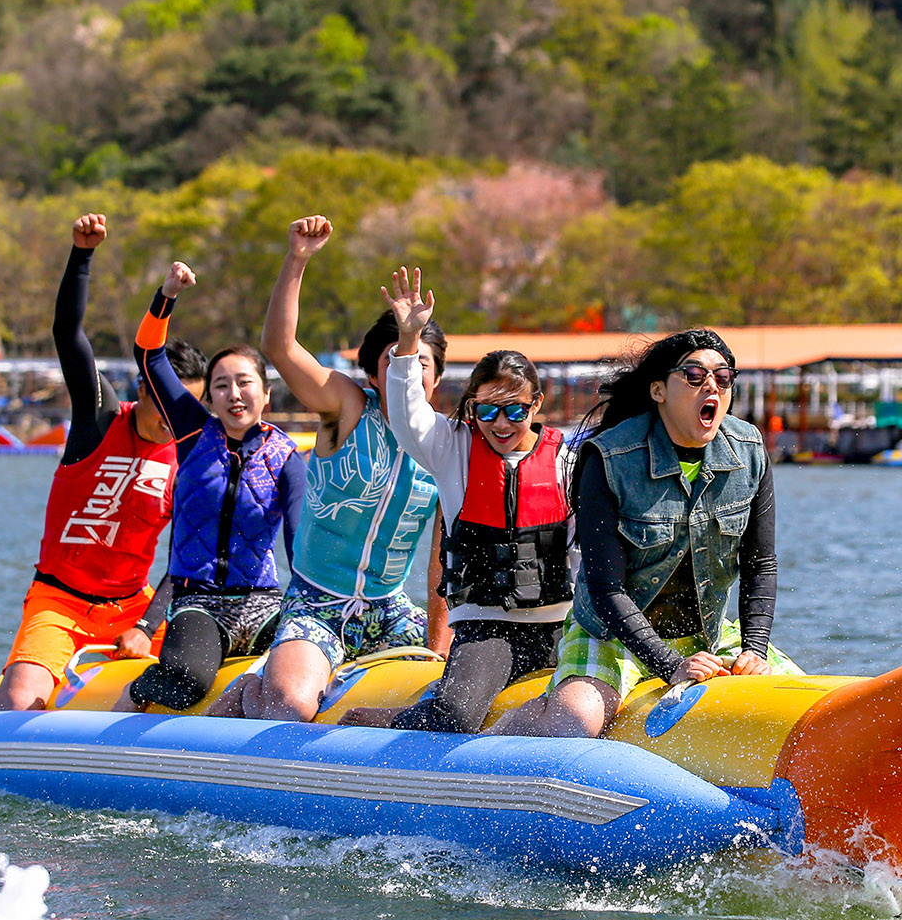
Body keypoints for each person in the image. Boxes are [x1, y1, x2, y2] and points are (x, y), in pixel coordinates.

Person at [494, 329, 798, 739]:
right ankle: (521, 724)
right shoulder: (609, 458)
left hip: (708, 635)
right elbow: (605, 588)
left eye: (723, 377)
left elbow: (761, 564)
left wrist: (754, 650)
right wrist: (669, 664)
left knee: (806, 711)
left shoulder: (749, 450)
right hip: (610, 635)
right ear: (658, 390)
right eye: (693, 375)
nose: (711, 385)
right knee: (574, 724)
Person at [0, 214, 206, 712]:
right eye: (168, 402)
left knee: (200, 671)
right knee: (20, 706)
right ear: (147, 387)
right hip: (59, 602)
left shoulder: (188, 455)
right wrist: (82, 254)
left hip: (133, 609)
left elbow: (186, 559)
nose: (175, 419)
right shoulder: (98, 418)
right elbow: (67, 332)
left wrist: (145, 626)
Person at [217, 216, 447, 722]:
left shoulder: (444, 443)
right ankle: (257, 688)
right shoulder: (345, 406)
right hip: (316, 604)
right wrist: (297, 259)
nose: (407, 369)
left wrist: (441, 647)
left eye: (420, 362)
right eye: (393, 358)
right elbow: (279, 348)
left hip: (389, 611)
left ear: (436, 379)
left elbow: (440, 565)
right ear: (372, 371)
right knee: (293, 705)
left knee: (442, 705)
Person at [339, 267, 574, 733]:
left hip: (563, 627)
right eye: (487, 409)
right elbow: (407, 415)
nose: (501, 423)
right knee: (456, 715)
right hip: (488, 627)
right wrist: (408, 340)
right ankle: (383, 720)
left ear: (537, 405)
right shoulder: (453, 450)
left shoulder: (568, 460)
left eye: (515, 410)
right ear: (472, 406)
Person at [114, 261, 306, 712]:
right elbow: (149, 355)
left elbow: (301, 548)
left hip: (264, 606)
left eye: (244, 383)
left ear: (266, 394)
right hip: (199, 602)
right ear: (210, 397)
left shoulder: (286, 458)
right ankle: (133, 696)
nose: (234, 394)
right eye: (222, 386)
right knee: (187, 682)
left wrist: (307, 616)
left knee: (307, 668)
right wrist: (167, 295)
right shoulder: (193, 433)